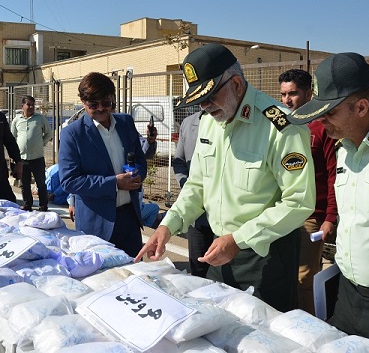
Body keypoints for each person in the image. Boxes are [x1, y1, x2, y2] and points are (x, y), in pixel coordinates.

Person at [135, 44, 316, 312]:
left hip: (264, 258)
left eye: (209, 97)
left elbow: (299, 202)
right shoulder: (211, 120)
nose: (205, 107)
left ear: (236, 84)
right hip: (219, 250)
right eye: (199, 101)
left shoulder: (281, 127)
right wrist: (168, 225)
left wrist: (238, 240)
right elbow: (197, 184)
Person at [288, 52, 369, 351]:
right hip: (347, 299)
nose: (320, 120)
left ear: (361, 107)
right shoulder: (345, 151)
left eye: (328, 112)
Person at [59, 72, 147, 257]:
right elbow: (69, 180)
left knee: (133, 275)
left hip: (129, 219)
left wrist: (137, 174)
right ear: (83, 103)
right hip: (96, 223)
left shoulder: (126, 123)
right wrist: (114, 183)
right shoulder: (72, 134)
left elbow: (139, 159)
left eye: (106, 103)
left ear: (113, 100)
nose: (101, 109)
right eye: (93, 105)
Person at [279, 69, 338, 315]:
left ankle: (309, 332)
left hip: (311, 218)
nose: (286, 100)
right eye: (283, 94)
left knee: (305, 280)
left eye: (293, 94)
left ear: (309, 94)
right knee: (282, 276)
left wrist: (330, 218)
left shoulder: (322, 127)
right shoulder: (279, 125)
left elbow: (334, 175)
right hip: (281, 214)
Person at [173, 105, 213, 278]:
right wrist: (185, 183)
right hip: (196, 216)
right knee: (198, 269)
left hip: (226, 218)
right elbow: (179, 160)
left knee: (224, 273)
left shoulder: (234, 123)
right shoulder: (188, 123)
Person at [10, 96, 52, 211]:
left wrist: (40, 143)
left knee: (41, 183)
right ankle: (27, 204)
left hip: (37, 158)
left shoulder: (40, 119)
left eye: (33, 105)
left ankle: (43, 205)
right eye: (28, 104)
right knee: (24, 184)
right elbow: (12, 137)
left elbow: (49, 134)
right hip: (22, 159)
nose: (31, 107)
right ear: (22, 106)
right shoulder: (17, 120)